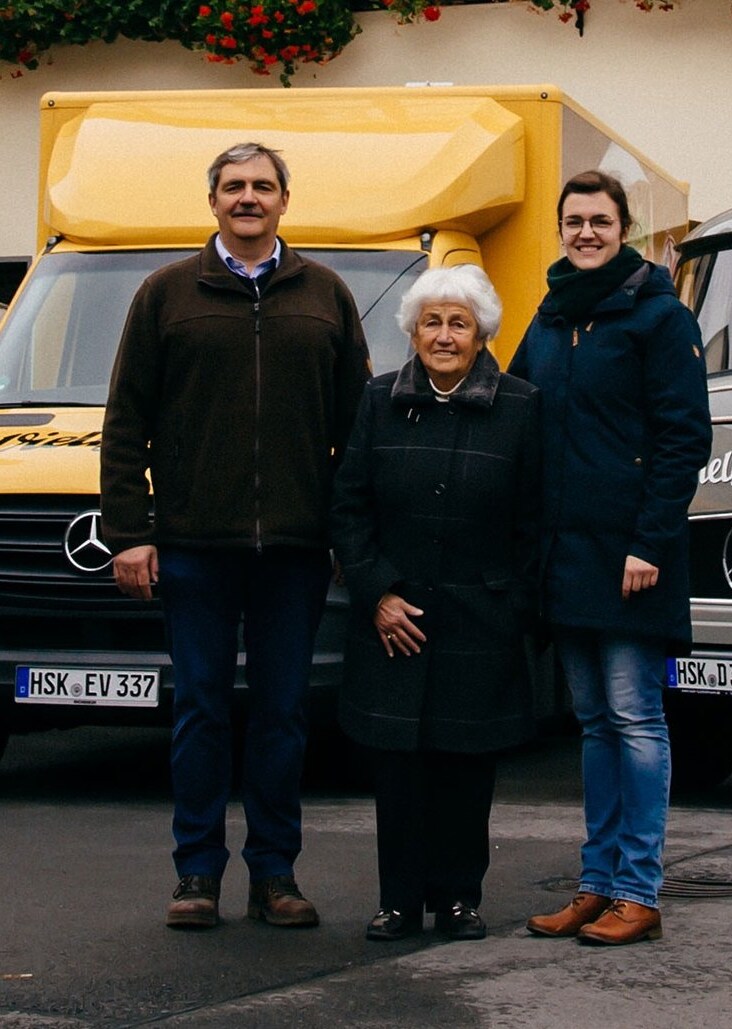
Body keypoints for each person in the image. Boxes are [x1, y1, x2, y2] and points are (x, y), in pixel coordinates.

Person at [100, 142, 370, 930]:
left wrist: (349, 537)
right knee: (200, 714)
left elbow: (357, 432)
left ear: (286, 200)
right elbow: (126, 423)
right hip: (192, 546)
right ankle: (196, 874)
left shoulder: (325, 294)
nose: (247, 197)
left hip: (295, 549)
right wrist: (130, 531)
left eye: (262, 186)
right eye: (233, 186)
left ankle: (275, 873)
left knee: (284, 714)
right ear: (212, 201)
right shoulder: (165, 294)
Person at [510, 170, 712, 946]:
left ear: (623, 227)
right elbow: (518, 414)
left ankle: (639, 889)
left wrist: (649, 542)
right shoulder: (551, 316)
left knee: (635, 718)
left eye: (599, 220)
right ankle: (595, 885)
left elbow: (682, 439)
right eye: (573, 221)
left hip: (632, 560)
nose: (585, 232)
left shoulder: (660, 318)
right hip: (566, 558)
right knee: (594, 723)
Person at [330, 265, 540, 942]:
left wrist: (512, 606)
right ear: (412, 331)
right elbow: (349, 505)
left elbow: (536, 521)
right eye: (432, 321)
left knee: (464, 767)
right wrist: (377, 592)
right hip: (394, 620)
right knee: (397, 770)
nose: (444, 335)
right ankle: (398, 900)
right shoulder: (378, 399)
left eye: (458, 322)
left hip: (481, 620)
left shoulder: (521, 405)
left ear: (481, 333)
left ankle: (457, 898)